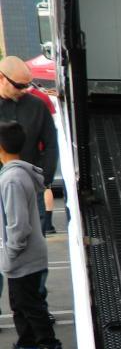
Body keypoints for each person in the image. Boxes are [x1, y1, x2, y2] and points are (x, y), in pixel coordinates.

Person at [0, 121, 65, 349]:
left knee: (32, 305)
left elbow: (18, 225)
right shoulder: (14, 174)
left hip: (24, 256)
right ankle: (28, 348)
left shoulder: (13, 179)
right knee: (20, 304)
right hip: (23, 255)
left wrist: (11, 254)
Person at [0, 57, 57, 237]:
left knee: (35, 239)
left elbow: (51, 144)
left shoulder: (37, 105)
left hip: (31, 185)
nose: (24, 90)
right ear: (1, 78)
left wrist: (43, 178)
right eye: (19, 85)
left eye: (27, 85)